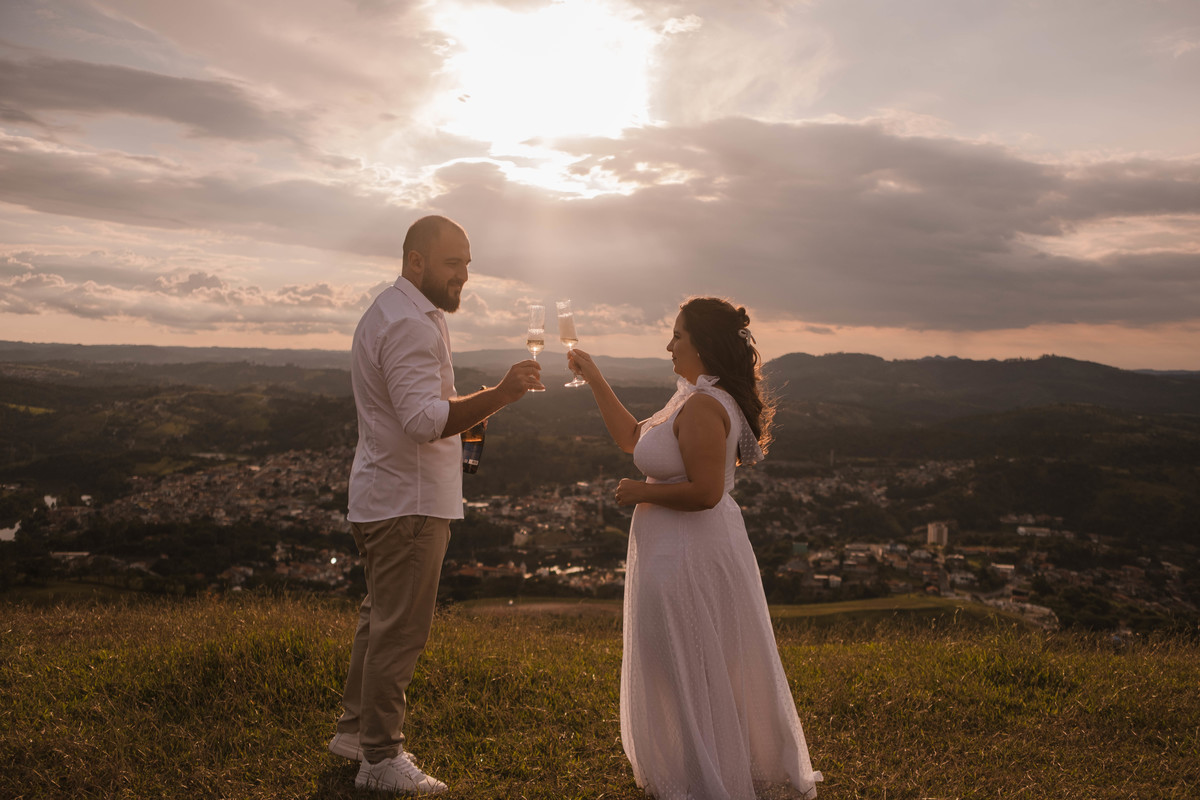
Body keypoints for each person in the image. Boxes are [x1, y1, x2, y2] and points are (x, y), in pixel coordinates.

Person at [567, 297, 822, 800]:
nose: (669, 345)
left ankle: (705, 775)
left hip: (687, 555)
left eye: (677, 336)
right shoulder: (690, 397)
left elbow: (707, 493)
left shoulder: (705, 406)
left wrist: (640, 493)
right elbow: (632, 438)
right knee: (681, 663)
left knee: (686, 664)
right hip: (672, 551)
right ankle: (699, 766)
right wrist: (594, 377)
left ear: (702, 344)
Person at [329, 215, 544, 795]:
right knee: (400, 631)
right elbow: (423, 422)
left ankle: (354, 735)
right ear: (416, 261)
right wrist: (500, 394)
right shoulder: (409, 324)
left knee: (379, 621)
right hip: (410, 503)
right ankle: (380, 758)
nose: (464, 276)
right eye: (453, 264)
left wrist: (471, 415)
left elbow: (424, 407)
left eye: (467, 264)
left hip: (384, 495)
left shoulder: (394, 311)